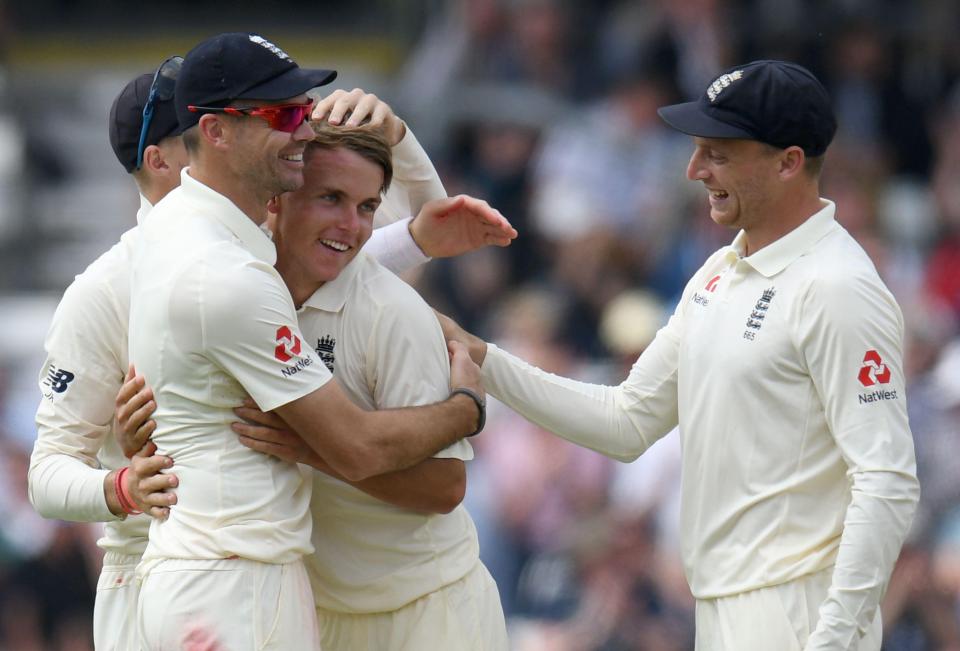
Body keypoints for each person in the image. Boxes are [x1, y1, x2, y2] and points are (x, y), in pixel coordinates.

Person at [29, 51, 515, 651]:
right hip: (190, 576)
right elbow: (45, 473)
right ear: (189, 147)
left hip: (235, 575)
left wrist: (410, 222)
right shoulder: (119, 287)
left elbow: (312, 271)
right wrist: (122, 485)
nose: (301, 137)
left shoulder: (216, 242)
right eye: (279, 118)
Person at [440, 59, 920, 650]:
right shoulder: (720, 271)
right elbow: (627, 420)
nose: (695, 170)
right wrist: (481, 356)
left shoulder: (839, 287)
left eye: (718, 153)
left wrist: (836, 636)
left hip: (798, 615)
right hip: (721, 608)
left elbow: (887, 480)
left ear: (789, 162)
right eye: (698, 151)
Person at [142, 121, 510, 649]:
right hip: (319, 610)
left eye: (366, 207)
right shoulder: (240, 291)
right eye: (331, 198)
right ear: (278, 200)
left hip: (431, 609)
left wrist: (313, 448)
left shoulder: (395, 314)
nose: (351, 226)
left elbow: (446, 487)